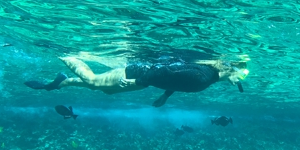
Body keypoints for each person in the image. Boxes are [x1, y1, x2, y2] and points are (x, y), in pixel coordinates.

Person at [26, 49, 249, 107]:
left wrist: (166, 95)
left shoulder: (206, 76)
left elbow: (177, 74)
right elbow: (169, 73)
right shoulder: (204, 77)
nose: (239, 79)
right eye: (239, 73)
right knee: (94, 82)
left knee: (106, 88)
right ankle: (64, 54)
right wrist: (136, 79)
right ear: (228, 68)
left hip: (145, 77)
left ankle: (58, 83)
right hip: (139, 74)